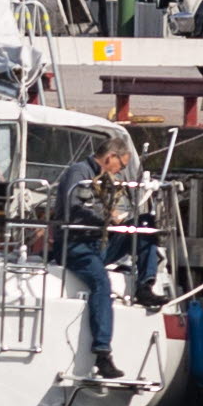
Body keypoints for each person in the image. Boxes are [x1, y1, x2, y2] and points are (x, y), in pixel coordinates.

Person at [58, 134, 148, 383]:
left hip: (100, 242)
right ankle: (102, 352)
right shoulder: (79, 172)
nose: (120, 171)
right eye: (120, 165)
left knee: (145, 228)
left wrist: (124, 221)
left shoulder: (110, 180)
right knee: (101, 283)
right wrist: (107, 218)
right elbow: (74, 207)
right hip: (77, 244)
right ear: (110, 157)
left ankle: (146, 284)